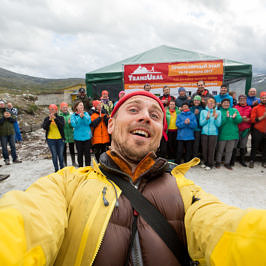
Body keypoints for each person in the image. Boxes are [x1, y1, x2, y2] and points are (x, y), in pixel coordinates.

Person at [1, 91, 266, 265]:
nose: (145, 117)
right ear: (112, 124)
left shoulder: (184, 188)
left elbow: (225, 225)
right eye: (134, 110)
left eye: (154, 115)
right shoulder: (67, 183)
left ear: (161, 133)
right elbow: (26, 221)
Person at [215, 98, 242, 170]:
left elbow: (239, 120)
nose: (226, 104)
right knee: (220, 149)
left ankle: (227, 163)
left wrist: (234, 118)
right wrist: (226, 118)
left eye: (227, 103)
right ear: (222, 104)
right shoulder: (219, 112)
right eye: (224, 103)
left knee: (229, 150)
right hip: (222, 134)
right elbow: (219, 123)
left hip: (232, 134)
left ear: (230, 104)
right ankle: (218, 161)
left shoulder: (234, 110)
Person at [199, 97, 221, 170]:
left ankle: (210, 164)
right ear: (206, 103)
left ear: (214, 104)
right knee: (204, 149)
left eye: (212, 103)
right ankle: (205, 162)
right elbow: (201, 123)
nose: (210, 104)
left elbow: (218, 125)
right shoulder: (203, 112)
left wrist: (215, 118)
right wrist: (206, 119)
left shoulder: (218, 112)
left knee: (211, 149)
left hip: (213, 133)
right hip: (204, 133)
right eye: (209, 102)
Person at [42, 104, 65, 172]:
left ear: (56, 110)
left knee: (60, 155)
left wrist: (55, 119)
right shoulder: (46, 118)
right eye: (50, 109)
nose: (52, 111)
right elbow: (44, 127)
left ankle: (62, 169)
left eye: (53, 109)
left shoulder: (60, 117)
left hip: (60, 139)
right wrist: (49, 120)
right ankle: (56, 169)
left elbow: (62, 125)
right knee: (54, 155)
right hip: (50, 139)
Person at [71, 101, 92, 167]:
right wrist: (80, 117)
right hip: (78, 138)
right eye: (80, 105)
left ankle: (88, 167)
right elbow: (74, 125)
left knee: (87, 154)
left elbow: (88, 122)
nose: (82, 106)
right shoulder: (73, 115)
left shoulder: (86, 114)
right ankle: (81, 167)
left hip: (87, 137)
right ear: (76, 107)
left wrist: (84, 117)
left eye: (82, 105)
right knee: (79, 154)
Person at [249, 91, 266, 168]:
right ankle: (252, 160)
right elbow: (252, 120)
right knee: (254, 146)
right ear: (260, 99)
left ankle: (264, 161)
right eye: (263, 98)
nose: (264, 99)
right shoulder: (256, 108)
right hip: (258, 130)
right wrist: (263, 117)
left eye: (265, 98)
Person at [234, 95, 252, 167]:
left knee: (243, 145)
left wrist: (248, 119)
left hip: (245, 129)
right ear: (238, 100)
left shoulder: (249, 108)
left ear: (246, 100)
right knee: (235, 144)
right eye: (240, 99)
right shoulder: (235, 107)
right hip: (236, 129)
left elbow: (252, 118)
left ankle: (242, 160)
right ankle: (233, 160)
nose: (242, 100)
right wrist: (242, 118)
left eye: (243, 99)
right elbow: (233, 117)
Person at [59, 102, 77, 167]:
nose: (65, 109)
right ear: (61, 108)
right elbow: (60, 126)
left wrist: (70, 123)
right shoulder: (59, 116)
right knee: (64, 150)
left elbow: (73, 126)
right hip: (63, 135)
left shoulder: (71, 115)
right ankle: (65, 163)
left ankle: (73, 162)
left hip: (70, 134)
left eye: (66, 107)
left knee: (72, 149)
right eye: (63, 107)